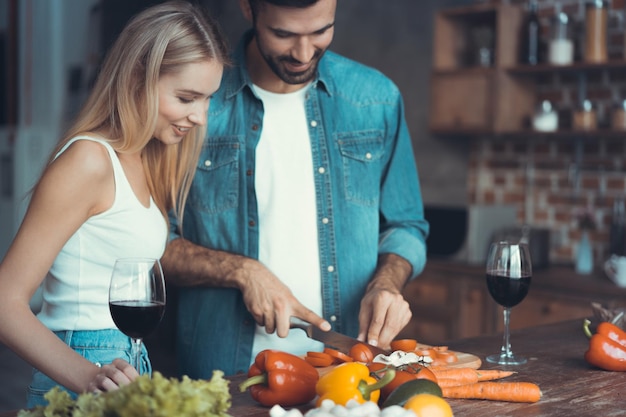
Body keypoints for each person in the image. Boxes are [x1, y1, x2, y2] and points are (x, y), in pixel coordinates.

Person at [161, 0, 429, 378]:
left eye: (320, 31)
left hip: (345, 374)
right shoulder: (195, 105)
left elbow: (407, 226)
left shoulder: (376, 100)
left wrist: (387, 283)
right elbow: (153, 245)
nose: (304, 54)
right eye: (283, 34)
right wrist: (241, 271)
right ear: (249, 10)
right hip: (223, 374)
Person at [0, 1, 228, 407]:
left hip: (127, 366)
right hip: (81, 369)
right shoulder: (88, 161)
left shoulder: (145, 158)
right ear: (139, 76)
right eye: (187, 97)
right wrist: (88, 375)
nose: (200, 117)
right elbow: (5, 303)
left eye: (207, 99)